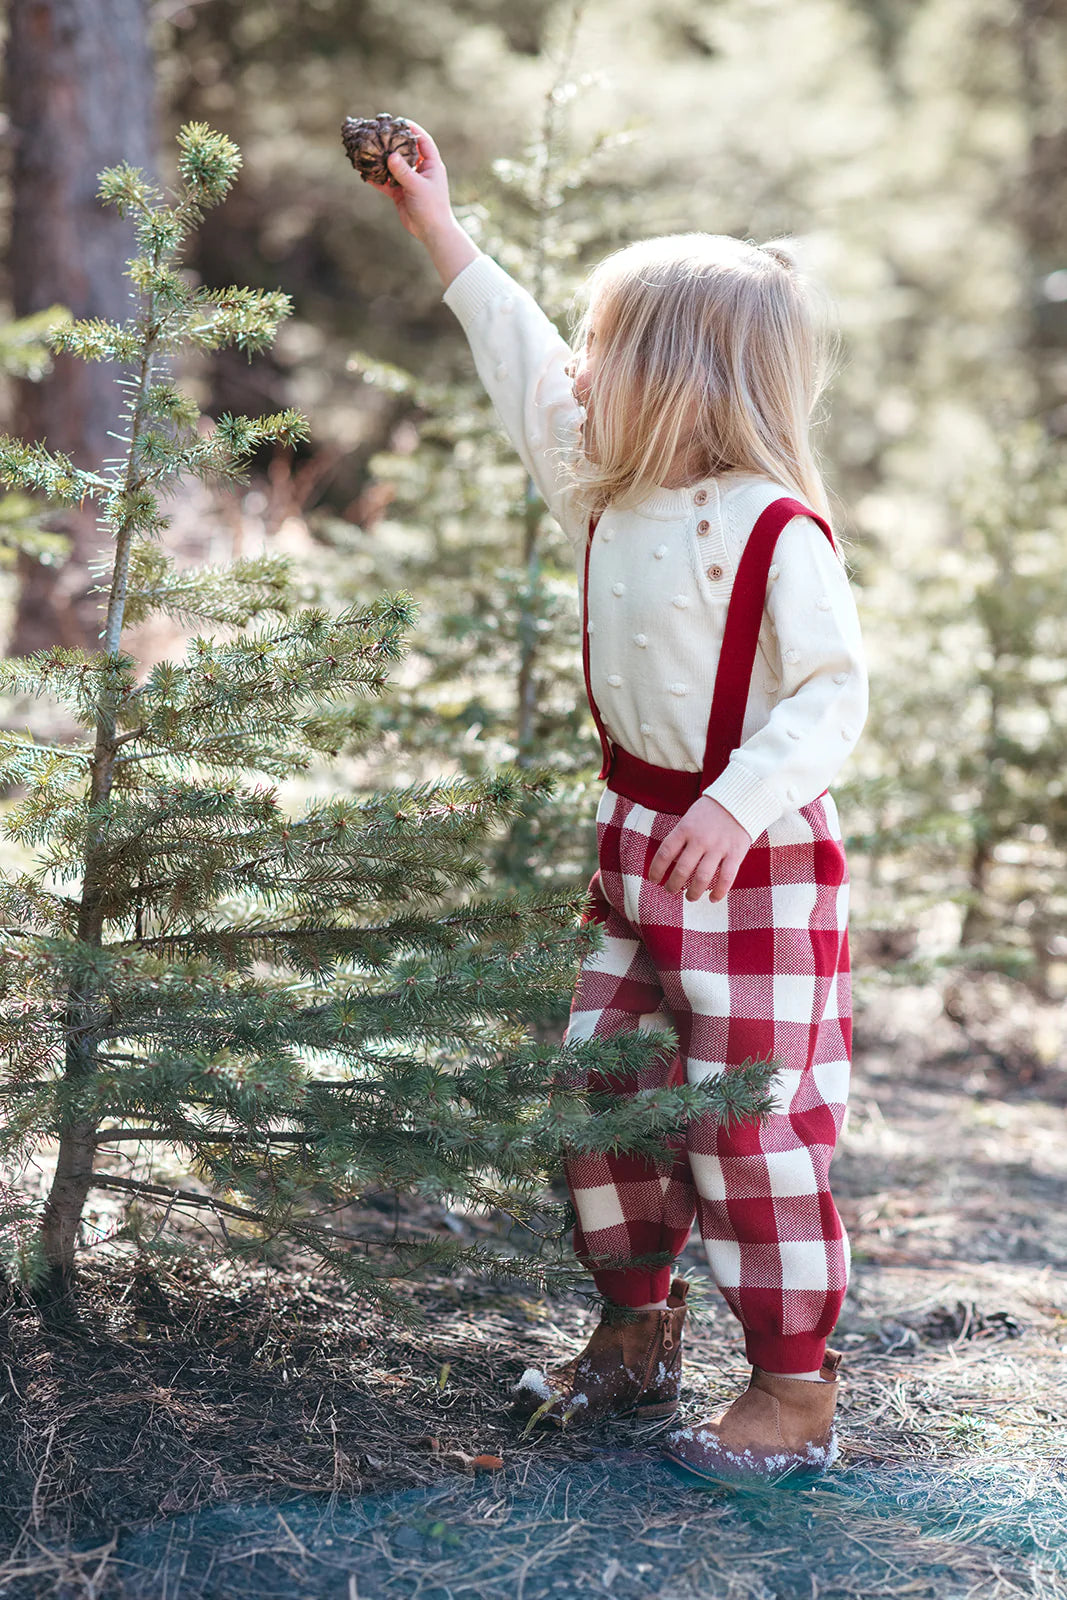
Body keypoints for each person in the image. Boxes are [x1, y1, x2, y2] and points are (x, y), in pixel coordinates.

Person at [367, 120, 868, 1487]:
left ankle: (790, 1384)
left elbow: (832, 695)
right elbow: (524, 361)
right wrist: (439, 227)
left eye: (609, 347)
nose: (579, 371)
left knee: (748, 1122)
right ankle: (636, 1327)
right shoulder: (603, 484)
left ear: (682, 376)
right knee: (607, 1078)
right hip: (637, 846)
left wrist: (741, 803)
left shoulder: (777, 527)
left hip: (752, 866)